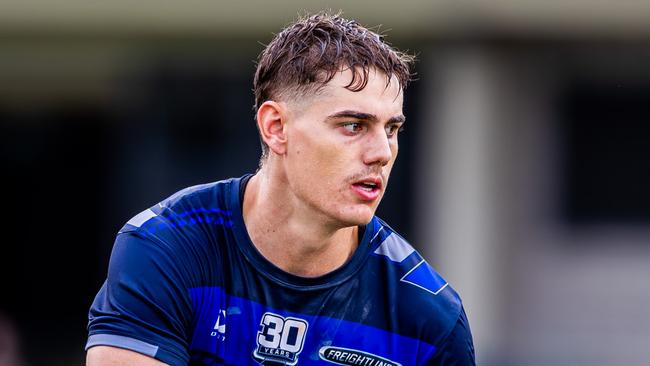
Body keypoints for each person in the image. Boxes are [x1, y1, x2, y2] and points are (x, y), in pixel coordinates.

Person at [85, 12, 475, 366]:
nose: (381, 153)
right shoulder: (166, 246)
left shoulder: (429, 317)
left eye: (392, 130)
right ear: (276, 128)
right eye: (353, 125)